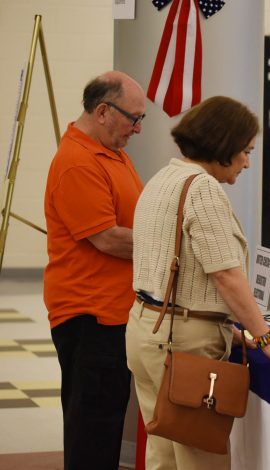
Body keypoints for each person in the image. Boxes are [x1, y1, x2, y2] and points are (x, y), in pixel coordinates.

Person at [127, 96, 270, 470]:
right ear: (223, 146)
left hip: (146, 329)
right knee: (201, 460)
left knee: (164, 456)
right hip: (184, 342)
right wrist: (266, 340)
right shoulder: (202, 188)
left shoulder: (161, 178)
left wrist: (227, 327)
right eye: (245, 151)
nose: (247, 162)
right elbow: (226, 274)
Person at [44, 71, 146, 470]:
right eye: (133, 119)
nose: (137, 129)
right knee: (92, 433)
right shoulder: (77, 162)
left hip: (113, 313)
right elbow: (106, 238)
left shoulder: (112, 152)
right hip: (90, 318)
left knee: (103, 426)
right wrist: (173, 246)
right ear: (102, 111)